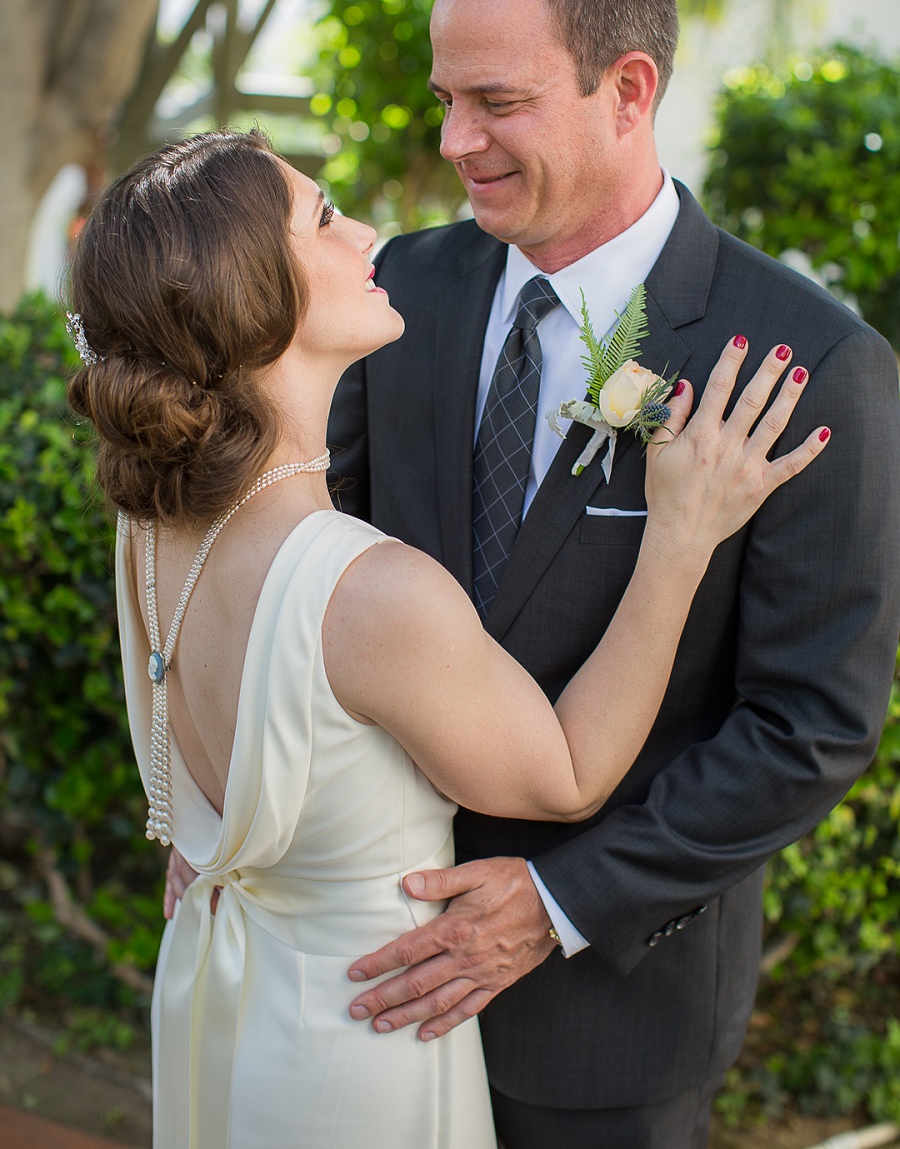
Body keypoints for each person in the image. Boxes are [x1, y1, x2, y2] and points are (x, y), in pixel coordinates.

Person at [67, 128, 824, 1149]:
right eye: (325, 220)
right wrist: (679, 538)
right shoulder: (370, 590)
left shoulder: (150, 528)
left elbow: (199, 764)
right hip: (368, 1045)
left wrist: (206, 845)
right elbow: (566, 775)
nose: (371, 234)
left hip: (230, 1012)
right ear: (257, 296)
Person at [320, 0, 900, 1148]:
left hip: (603, 1019)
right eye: (446, 99)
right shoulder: (392, 298)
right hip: (361, 954)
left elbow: (812, 723)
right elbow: (320, 573)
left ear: (628, 89)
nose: (456, 138)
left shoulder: (806, 358)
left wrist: (560, 902)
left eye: (498, 103)